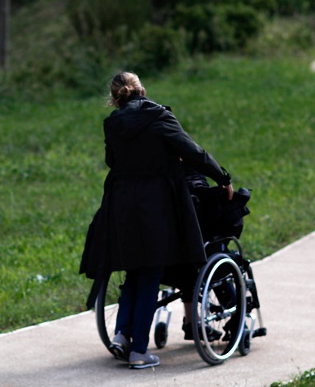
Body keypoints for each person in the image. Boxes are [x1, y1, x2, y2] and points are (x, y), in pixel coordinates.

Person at [79, 72, 234, 369]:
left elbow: (112, 161)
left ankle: (122, 335)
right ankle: (139, 351)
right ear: (142, 90)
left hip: (120, 202)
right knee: (150, 272)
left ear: (116, 97)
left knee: (134, 271)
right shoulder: (159, 116)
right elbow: (192, 152)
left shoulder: (112, 123)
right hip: (156, 202)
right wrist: (221, 177)